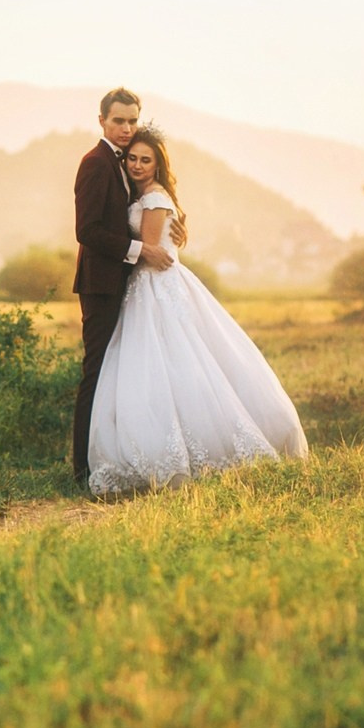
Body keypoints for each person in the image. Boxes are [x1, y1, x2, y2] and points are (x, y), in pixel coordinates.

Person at [83, 126, 308, 495]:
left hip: (156, 288)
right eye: (134, 159)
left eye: (146, 160)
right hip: (149, 287)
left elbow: (152, 252)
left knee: (172, 363)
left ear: (157, 164)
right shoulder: (147, 196)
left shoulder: (154, 199)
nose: (137, 166)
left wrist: (126, 250)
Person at [69, 87, 178, 483]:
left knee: (122, 371)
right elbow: (87, 230)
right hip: (101, 285)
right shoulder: (96, 163)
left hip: (127, 285)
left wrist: (170, 221)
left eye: (132, 121)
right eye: (119, 121)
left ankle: (115, 452)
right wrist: (141, 250)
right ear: (102, 121)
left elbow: (145, 202)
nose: (126, 128)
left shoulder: (126, 163)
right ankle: (82, 468)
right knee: (96, 372)